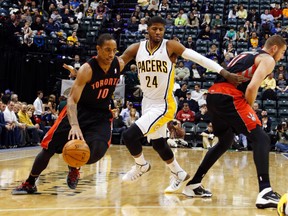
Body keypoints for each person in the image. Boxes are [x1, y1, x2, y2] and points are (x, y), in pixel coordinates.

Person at [119, 16, 242, 193]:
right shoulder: (136, 48)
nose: (158, 32)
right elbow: (119, 63)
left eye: (161, 29)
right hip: (147, 102)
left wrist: (225, 72)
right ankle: (179, 173)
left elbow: (198, 58)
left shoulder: (170, 46)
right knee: (158, 143)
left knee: (129, 136)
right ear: (148, 29)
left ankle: (141, 165)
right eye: (154, 29)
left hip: (164, 104)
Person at [12, 34, 126, 194]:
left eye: (114, 50)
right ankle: (30, 182)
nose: (111, 54)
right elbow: (72, 100)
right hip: (78, 111)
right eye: (107, 50)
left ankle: (74, 165)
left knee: (96, 152)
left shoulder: (118, 64)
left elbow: (132, 52)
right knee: (48, 149)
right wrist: (74, 125)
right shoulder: (87, 69)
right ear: (98, 49)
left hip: (100, 115)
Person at [182, 35, 286, 209]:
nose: (282, 57)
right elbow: (252, 87)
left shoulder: (247, 53)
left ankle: (194, 184)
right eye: (283, 52)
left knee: (225, 141)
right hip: (229, 96)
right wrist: (249, 109)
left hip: (213, 94)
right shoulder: (268, 59)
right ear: (274, 48)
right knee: (262, 138)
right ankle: (265, 191)